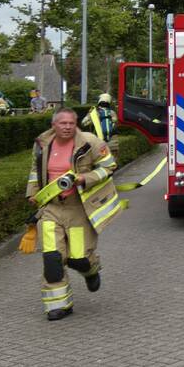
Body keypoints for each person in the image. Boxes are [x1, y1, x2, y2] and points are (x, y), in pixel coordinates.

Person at [25, 108, 121, 321]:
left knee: (79, 259)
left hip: (79, 209)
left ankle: (91, 270)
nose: (67, 127)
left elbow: (109, 167)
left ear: (76, 124)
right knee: (52, 259)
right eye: (63, 123)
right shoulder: (42, 144)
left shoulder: (91, 143)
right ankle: (58, 306)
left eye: (71, 123)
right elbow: (35, 169)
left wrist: (84, 178)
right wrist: (32, 193)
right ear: (54, 125)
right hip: (51, 209)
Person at [81, 93, 118, 158]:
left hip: (100, 145)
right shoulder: (112, 113)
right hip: (113, 144)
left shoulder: (94, 113)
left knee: (102, 162)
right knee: (112, 163)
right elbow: (115, 125)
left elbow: (83, 123)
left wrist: (90, 115)